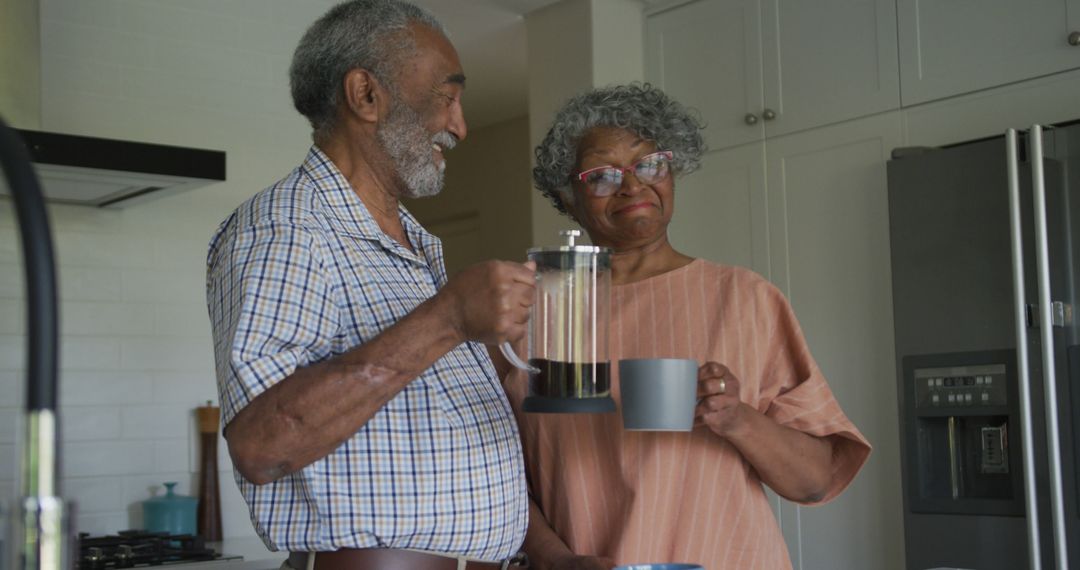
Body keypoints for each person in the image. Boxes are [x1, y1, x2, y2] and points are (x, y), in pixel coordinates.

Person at [204, 2, 533, 568]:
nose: (460, 125)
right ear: (365, 95)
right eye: (447, 96)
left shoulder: (412, 242)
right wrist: (450, 318)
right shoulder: (287, 229)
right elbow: (263, 447)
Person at [507, 83, 872, 570]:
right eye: (601, 175)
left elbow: (817, 480)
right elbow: (496, 479)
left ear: (672, 171)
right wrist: (554, 559)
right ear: (568, 196)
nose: (632, 186)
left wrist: (737, 419)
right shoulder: (531, 310)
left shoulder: (745, 299)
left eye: (649, 163)